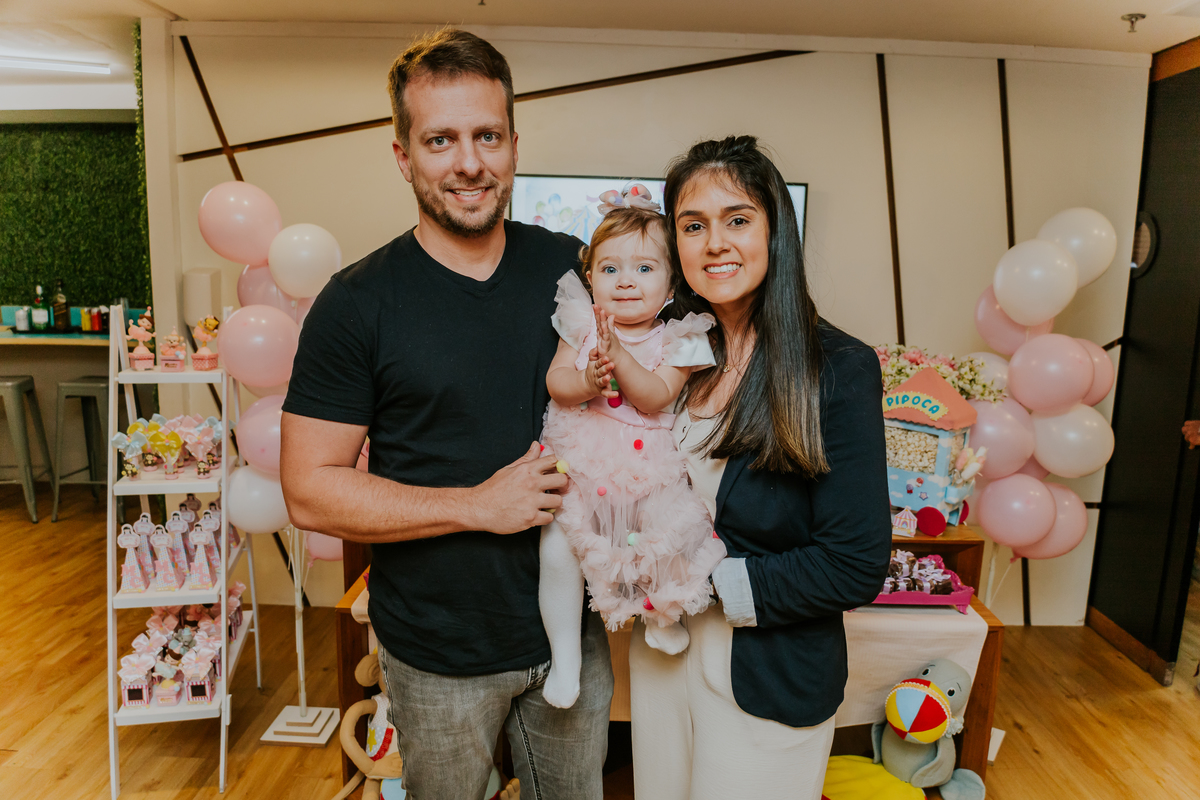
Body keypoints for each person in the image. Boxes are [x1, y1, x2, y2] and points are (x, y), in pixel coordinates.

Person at [279, 29, 613, 800]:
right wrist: (476, 506)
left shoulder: (570, 265)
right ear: (403, 155)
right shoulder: (357, 304)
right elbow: (308, 489)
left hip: (573, 637)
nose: (469, 162)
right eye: (441, 140)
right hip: (436, 654)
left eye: (487, 135)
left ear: (513, 144)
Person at [629, 135, 891, 800]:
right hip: (662, 662)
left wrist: (700, 580)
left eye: (737, 220)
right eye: (693, 226)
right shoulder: (677, 355)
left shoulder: (836, 368)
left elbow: (854, 562)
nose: (715, 243)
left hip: (768, 673)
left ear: (777, 231)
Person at [537, 185, 727, 709]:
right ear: (590, 277)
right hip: (583, 465)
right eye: (610, 269)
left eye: (645, 269)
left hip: (648, 470)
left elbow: (656, 395)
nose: (625, 282)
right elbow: (557, 382)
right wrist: (588, 383)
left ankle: (662, 617)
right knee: (557, 552)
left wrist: (618, 356)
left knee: (668, 545)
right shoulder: (579, 324)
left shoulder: (685, 336)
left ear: (672, 284)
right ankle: (566, 660)